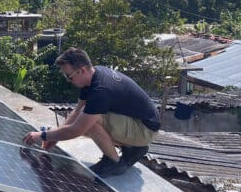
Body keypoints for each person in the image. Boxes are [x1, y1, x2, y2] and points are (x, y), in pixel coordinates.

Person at [23, 47, 160, 177]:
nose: (68, 80)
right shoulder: (93, 76)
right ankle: (132, 148)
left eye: (69, 76)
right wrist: (54, 137)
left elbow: (75, 130)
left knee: (89, 123)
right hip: (136, 122)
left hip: (144, 129)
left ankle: (114, 162)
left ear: (82, 70)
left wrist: (43, 135)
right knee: (84, 116)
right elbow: (77, 111)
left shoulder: (100, 90)